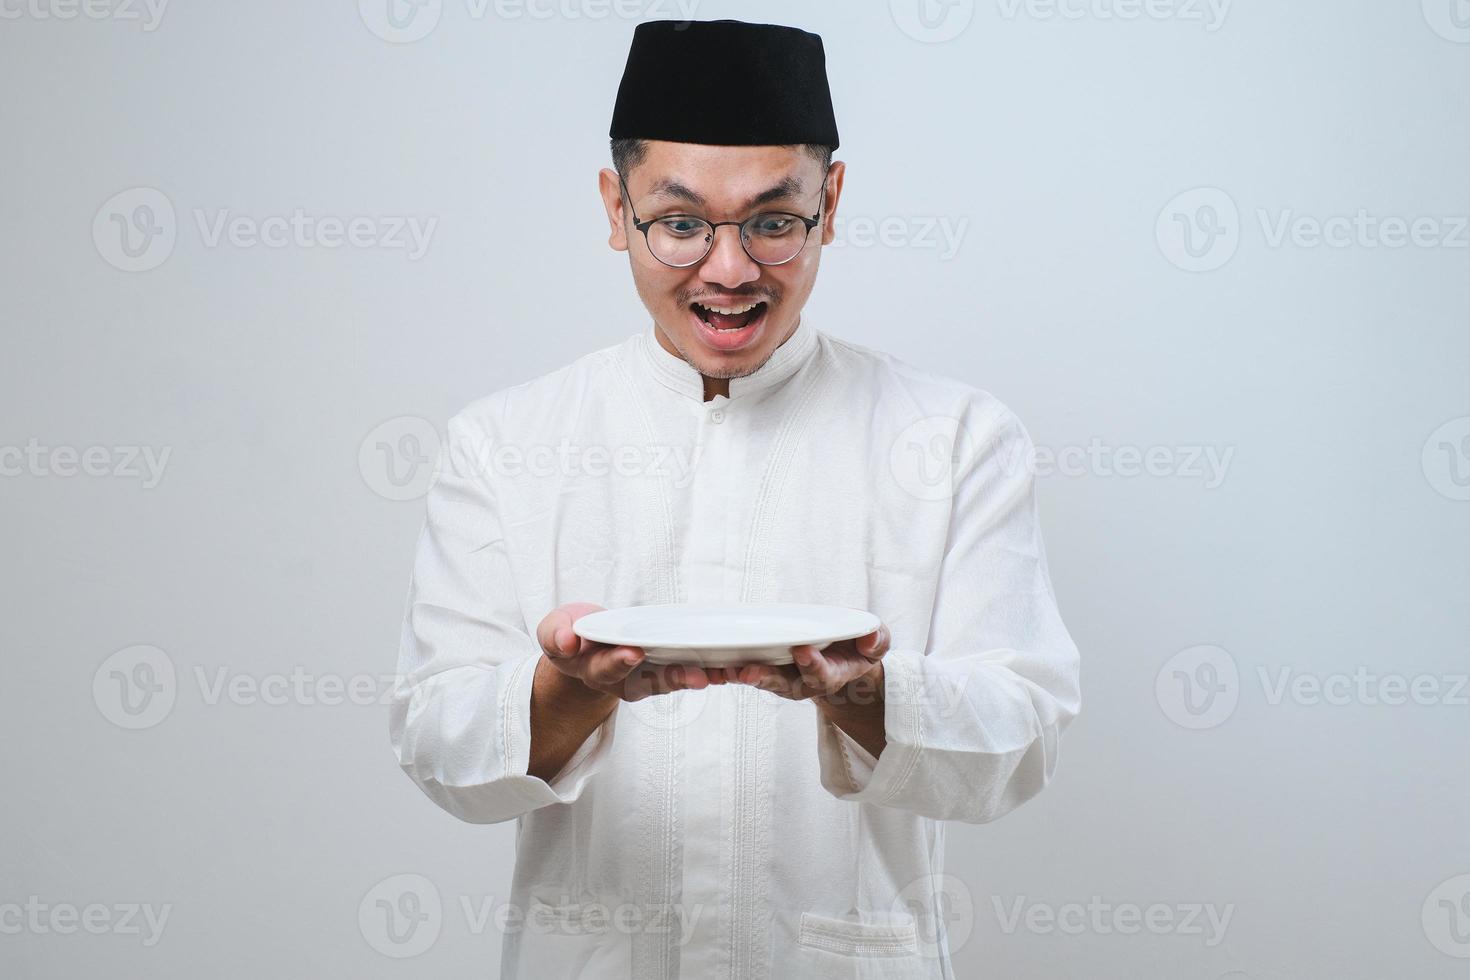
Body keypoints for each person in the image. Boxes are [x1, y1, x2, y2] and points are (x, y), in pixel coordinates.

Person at [388, 18, 1081, 979]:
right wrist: (567, 694)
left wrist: (869, 695)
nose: (729, 268)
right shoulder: (506, 444)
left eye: (772, 219)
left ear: (830, 203)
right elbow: (437, 743)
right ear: (614, 207)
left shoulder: (954, 438)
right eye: (679, 223)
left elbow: (1025, 739)